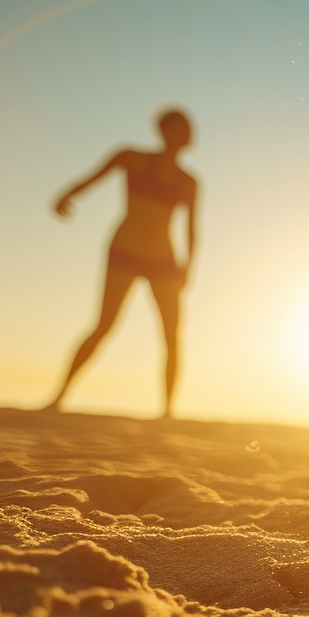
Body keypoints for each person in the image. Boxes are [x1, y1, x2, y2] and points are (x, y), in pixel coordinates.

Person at [45, 109, 199, 418]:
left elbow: (192, 229)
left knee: (171, 335)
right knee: (104, 325)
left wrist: (187, 269)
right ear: (162, 130)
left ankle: (168, 412)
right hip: (124, 252)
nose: (180, 135)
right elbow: (92, 178)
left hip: (164, 261)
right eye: (174, 128)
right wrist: (65, 196)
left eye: (184, 130)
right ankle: (57, 398)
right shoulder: (131, 158)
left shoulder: (189, 183)